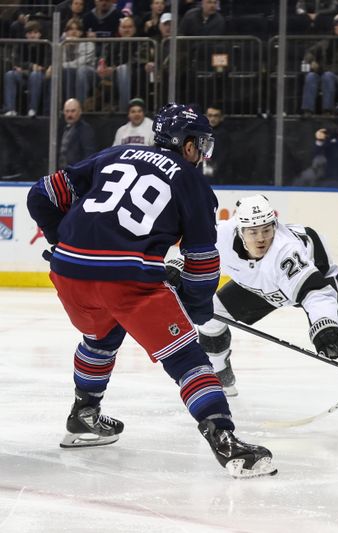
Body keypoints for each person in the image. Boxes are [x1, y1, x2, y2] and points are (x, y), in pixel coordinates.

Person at [26, 103, 276, 478]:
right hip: (125, 281)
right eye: (200, 144)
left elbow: (40, 195)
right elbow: (203, 260)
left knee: (101, 337)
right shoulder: (193, 183)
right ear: (188, 146)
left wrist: (63, 242)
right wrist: (194, 307)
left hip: (68, 273)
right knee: (185, 357)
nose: (202, 152)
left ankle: (84, 415)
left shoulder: (112, 153)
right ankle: (224, 440)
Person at [192, 194, 338, 414]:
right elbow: (192, 253)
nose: (261, 238)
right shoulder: (220, 235)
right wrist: (175, 271)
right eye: (253, 232)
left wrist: (325, 324)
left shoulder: (285, 251)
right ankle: (221, 372)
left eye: (266, 229)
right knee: (208, 316)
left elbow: (315, 292)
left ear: (274, 224)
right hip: (260, 285)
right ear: (239, 231)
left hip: (315, 278)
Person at [301, 13, 338, 116]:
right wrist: (312, 61)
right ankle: (307, 110)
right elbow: (309, 53)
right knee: (310, 76)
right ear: (334, 27)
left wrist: (329, 71)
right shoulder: (326, 42)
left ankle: (327, 110)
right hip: (322, 72)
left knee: (328, 76)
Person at [2, 20, 47, 117]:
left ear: (40, 34)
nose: (32, 35)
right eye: (30, 33)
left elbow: (44, 66)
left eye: (35, 33)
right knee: (10, 74)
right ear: (26, 35)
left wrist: (26, 68)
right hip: (24, 76)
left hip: (40, 77)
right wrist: (31, 66)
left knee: (35, 75)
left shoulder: (46, 45)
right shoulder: (22, 45)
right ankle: (10, 110)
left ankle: (32, 110)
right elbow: (16, 62)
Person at [61, 18, 97, 105]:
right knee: (67, 71)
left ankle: (80, 106)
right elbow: (59, 61)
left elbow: (80, 63)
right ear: (66, 32)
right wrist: (67, 47)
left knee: (81, 70)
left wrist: (62, 65)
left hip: (89, 73)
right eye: (70, 29)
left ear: (81, 33)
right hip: (71, 72)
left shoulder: (88, 44)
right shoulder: (62, 45)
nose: (73, 32)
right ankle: (69, 106)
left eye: (76, 29)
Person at [59, 98, 96, 168]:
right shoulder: (61, 128)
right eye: (67, 111)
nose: (69, 114)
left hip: (76, 172)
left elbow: (89, 154)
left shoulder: (85, 129)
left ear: (80, 112)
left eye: (73, 111)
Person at [200, 103, 232, 182]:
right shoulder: (200, 132)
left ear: (221, 118)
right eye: (210, 115)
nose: (212, 119)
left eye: (216, 116)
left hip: (220, 177)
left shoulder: (225, 135)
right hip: (201, 175)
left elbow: (224, 157)